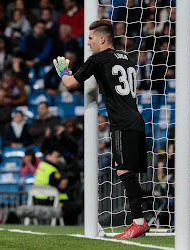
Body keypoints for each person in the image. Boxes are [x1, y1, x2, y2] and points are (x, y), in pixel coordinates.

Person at [54, 20, 149, 238]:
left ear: (102, 39)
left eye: (90, 38)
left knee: (124, 171)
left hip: (121, 123)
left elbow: (70, 84)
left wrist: (63, 71)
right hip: (136, 119)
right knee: (130, 173)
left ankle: (138, 221)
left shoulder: (98, 59)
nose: (88, 43)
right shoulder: (128, 58)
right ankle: (141, 220)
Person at [34, 148, 82, 225]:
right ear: (48, 156)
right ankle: (67, 228)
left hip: (37, 199)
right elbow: (61, 186)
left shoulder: (41, 166)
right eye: (56, 156)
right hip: (50, 201)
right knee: (76, 207)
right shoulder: (52, 170)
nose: (58, 159)